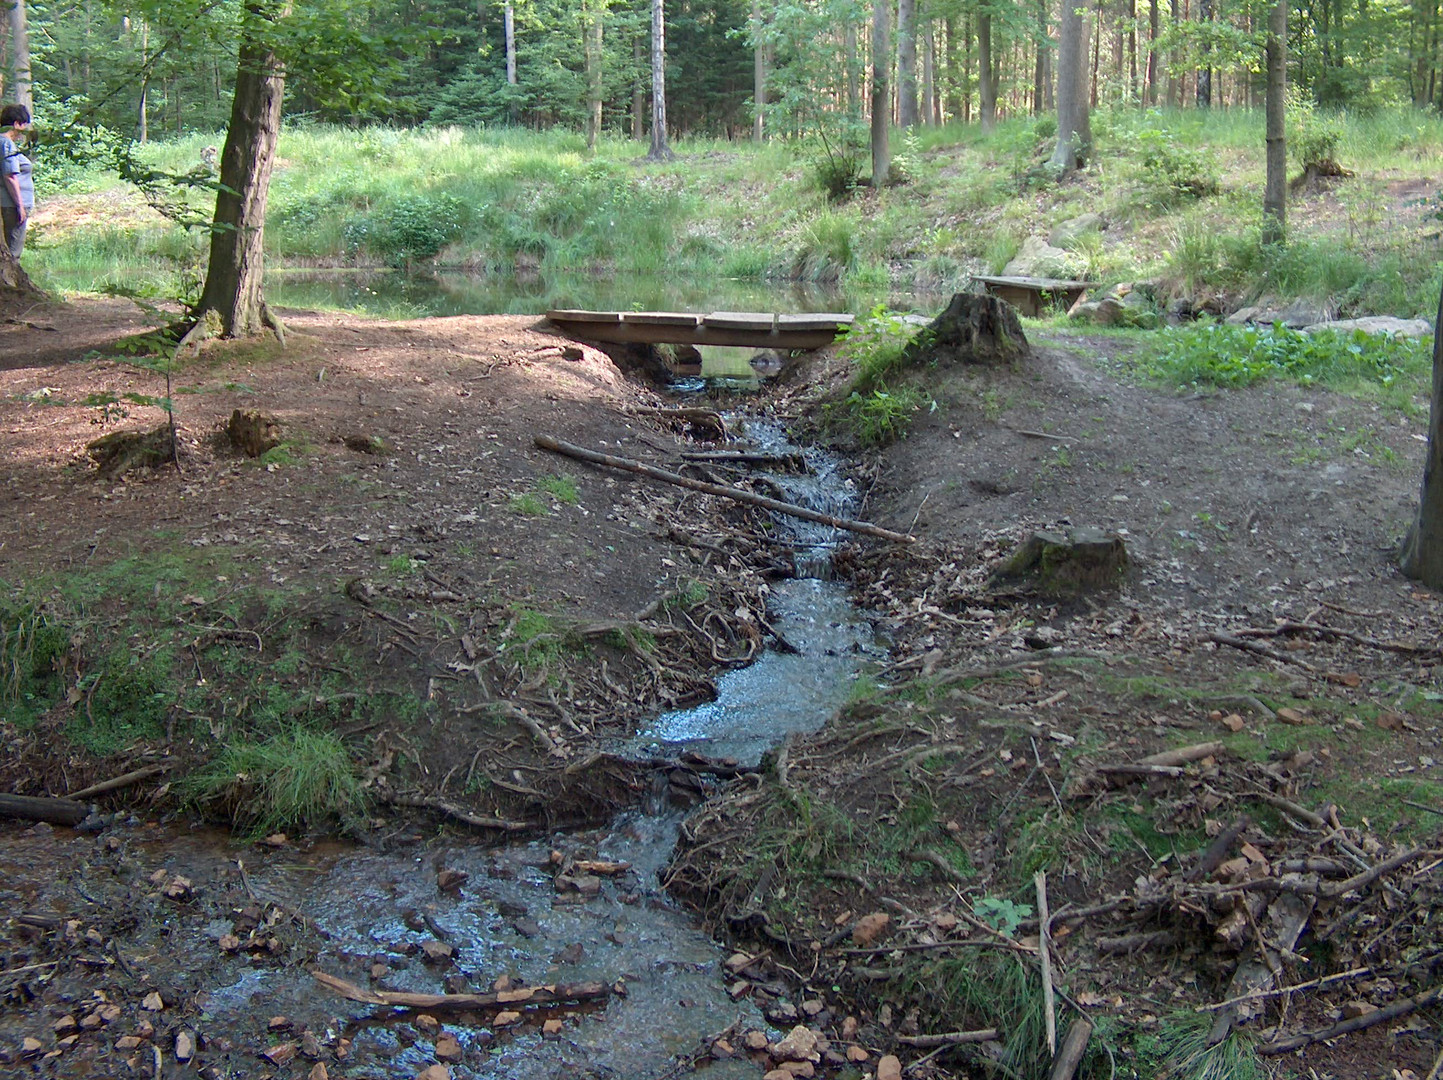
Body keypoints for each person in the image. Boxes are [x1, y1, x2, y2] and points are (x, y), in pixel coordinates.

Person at [0, 104, 34, 260]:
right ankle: (10, 283)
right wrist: (20, 206)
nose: (25, 128)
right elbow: (10, 176)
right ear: (16, 123)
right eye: (24, 123)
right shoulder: (6, 144)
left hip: (10, 203)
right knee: (13, 252)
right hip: (12, 205)